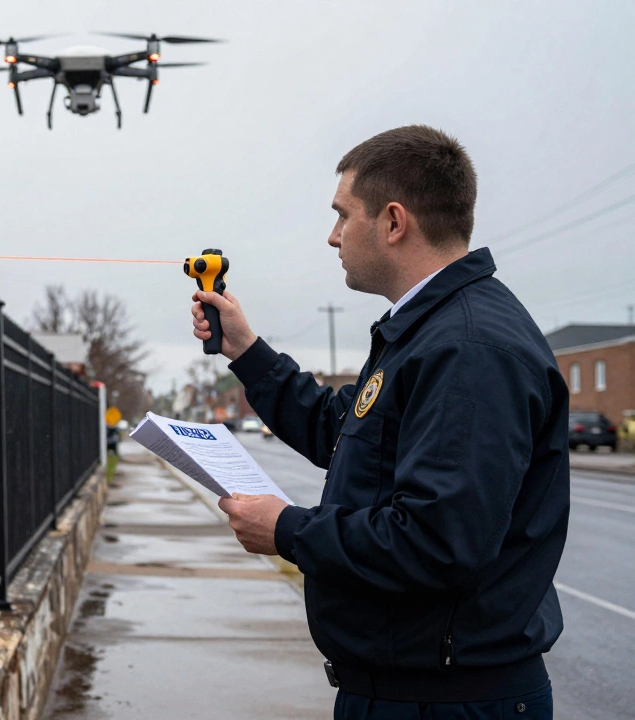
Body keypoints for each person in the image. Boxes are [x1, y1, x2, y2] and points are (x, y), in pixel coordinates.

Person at [190, 125, 568, 719]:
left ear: (393, 222)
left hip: (446, 702)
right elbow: (344, 432)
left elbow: (437, 542)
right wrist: (247, 351)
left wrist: (288, 530)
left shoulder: (468, 348)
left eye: (343, 215)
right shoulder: (426, 331)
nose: (332, 237)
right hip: (407, 690)